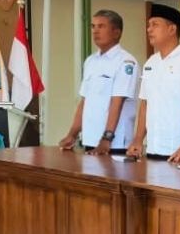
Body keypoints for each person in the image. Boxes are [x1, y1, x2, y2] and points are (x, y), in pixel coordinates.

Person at [125, 4, 180, 165]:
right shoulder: (151, 63)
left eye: (155, 24)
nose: (149, 29)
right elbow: (145, 104)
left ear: (172, 29)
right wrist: (138, 140)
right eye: (149, 25)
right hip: (154, 149)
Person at [58, 9, 139, 155]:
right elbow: (84, 101)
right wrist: (72, 134)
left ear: (116, 32)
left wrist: (107, 138)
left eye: (101, 26)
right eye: (93, 26)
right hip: (91, 139)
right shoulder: (90, 61)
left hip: (115, 143)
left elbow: (117, 102)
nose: (95, 31)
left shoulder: (126, 62)